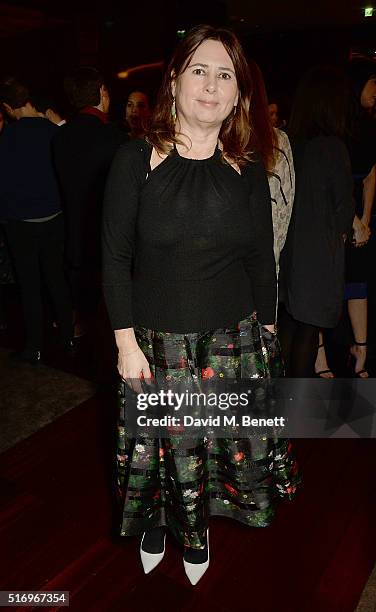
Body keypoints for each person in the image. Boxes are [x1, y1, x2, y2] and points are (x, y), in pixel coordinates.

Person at [102, 24, 300, 586]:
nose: (211, 86)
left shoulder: (248, 171)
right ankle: (157, 525)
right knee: (163, 449)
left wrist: (269, 335)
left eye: (225, 75)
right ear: (174, 82)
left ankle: (199, 529)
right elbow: (115, 259)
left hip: (231, 342)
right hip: (157, 344)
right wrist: (124, 342)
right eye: (199, 71)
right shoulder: (134, 161)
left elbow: (263, 262)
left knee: (211, 450)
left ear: (239, 94)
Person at [278, 66, 355, 377]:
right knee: (307, 334)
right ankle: (293, 408)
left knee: (286, 330)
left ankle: (276, 408)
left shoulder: (287, 142)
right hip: (318, 255)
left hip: (286, 252)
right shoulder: (333, 147)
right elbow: (343, 208)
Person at [0, 77, 73, 363]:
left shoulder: (7, 138)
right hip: (54, 217)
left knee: (29, 285)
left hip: (21, 223)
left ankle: (35, 345)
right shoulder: (53, 132)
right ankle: (67, 336)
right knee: (57, 278)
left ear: (7, 107)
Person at [53, 67, 126, 338]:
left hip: (73, 229)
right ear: (102, 93)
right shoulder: (114, 137)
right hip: (107, 233)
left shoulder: (61, 137)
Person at [344, 59, 376, 377]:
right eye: (371, 82)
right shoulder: (339, 124)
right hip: (337, 208)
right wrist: (354, 219)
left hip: (360, 207)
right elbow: (336, 180)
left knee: (359, 280)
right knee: (332, 285)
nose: (375, 90)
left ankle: (361, 349)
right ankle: (324, 358)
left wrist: (365, 220)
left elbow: (371, 173)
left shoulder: (369, 124)